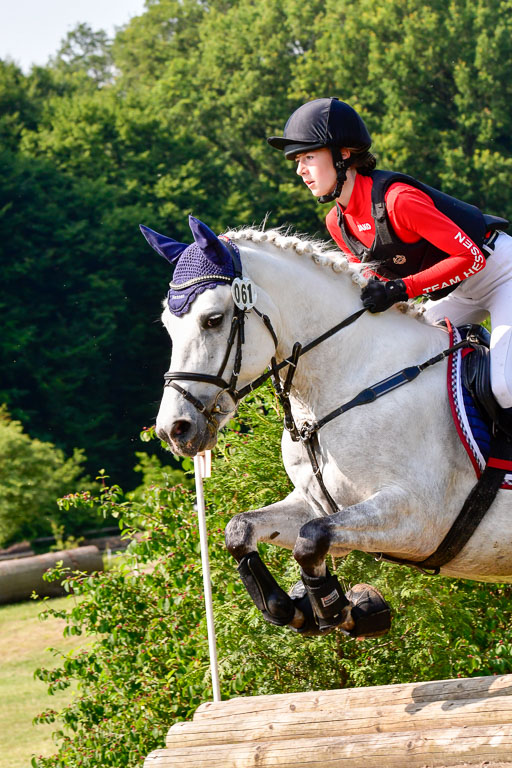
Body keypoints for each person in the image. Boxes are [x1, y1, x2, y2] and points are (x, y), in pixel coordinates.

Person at [267, 97, 512, 412]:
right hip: (458, 292)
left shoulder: (398, 201)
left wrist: (404, 288)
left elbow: (471, 258)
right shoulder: (337, 223)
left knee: (504, 388)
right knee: (406, 357)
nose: (300, 170)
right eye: (297, 160)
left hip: (500, 273)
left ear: (344, 154)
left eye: (309, 157)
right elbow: (371, 284)